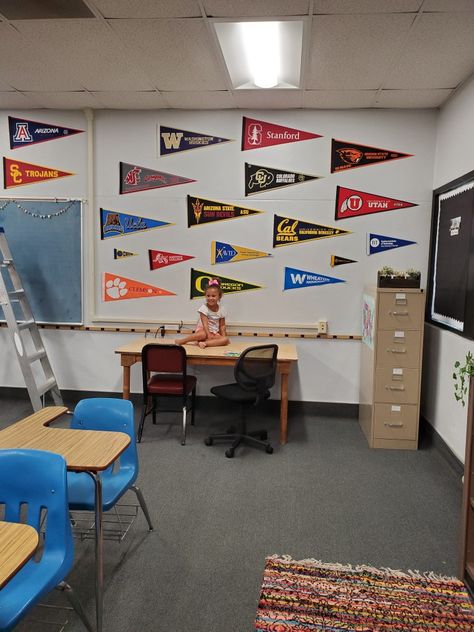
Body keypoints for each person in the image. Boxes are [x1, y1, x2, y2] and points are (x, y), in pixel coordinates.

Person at [175, 279, 230, 349]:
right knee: (202, 334)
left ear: (219, 296)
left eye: (213, 296)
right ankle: (183, 340)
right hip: (203, 331)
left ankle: (204, 343)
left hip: (214, 333)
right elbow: (205, 325)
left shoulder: (222, 309)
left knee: (226, 340)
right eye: (208, 296)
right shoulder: (203, 308)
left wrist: (223, 337)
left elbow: (222, 326)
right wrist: (208, 335)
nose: (210, 298)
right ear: (205, 296)